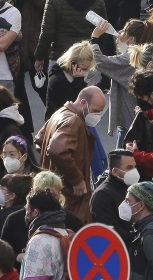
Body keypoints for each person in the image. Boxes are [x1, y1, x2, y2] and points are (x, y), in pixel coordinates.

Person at [36, 86, 105, 222]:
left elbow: (40, 140)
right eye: (95, 111)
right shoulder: (74, 121)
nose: (97, 116)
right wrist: (76, 178)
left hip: (53, 186)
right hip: (68, 194)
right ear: (83, 103)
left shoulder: (60, 113)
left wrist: (52, 162)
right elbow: (57, 150)